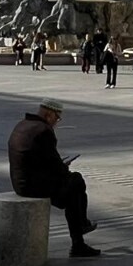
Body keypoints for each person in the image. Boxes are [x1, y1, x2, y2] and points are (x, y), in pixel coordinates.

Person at [8, 100, 99, 257]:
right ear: (49, 114)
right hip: (33, 186)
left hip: (20, 181)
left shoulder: (23, 124)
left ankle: (79, 238)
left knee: (73, 192)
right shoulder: (43, 131)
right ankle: (80, 231)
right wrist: (65, 167)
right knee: (76, 181)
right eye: (57, 118)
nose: (56, 122)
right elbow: (56, 166)